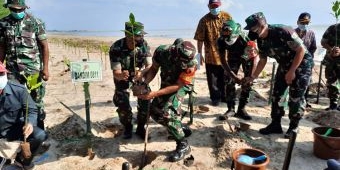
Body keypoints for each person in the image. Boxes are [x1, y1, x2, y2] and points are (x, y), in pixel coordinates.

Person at [242, 12, 313, 138]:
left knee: (295, 96)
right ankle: (276, 124)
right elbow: (263, 60)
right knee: (277, 95)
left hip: (302, 63)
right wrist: (253, 77)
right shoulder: (261, 40)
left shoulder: (283, 31)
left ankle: (293, 127)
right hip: (284, 64)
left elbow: (301, 50)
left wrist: (292, 71)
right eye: (251, 29)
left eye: (253, 28)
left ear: (262, 25)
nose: (252, 31)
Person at [137, 40, 197, 162]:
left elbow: (179, 85)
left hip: (182, 85)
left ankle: (183, 145)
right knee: (154, 111)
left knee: (168, 114)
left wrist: (154, 94)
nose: (184, 63)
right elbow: (154, 69)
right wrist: (144, 83)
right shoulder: (161, 51)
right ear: (174, 52)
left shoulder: (192, 63)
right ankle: (178, 128)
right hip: (167, 81)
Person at [0, 0, 50, 130]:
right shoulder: (3, 23)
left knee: (37, 101)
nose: (17, 12)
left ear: (25, 8)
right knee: (13, 102)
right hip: (12, 72)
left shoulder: (35, 23)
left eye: (20, 9)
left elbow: (44, 46)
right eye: (14, 10)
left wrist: (45, 69)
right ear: (9, 8)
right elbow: (2, 47)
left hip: (33, 71)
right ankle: (18, 133)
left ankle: (39, 133)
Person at [0, 62, 47, 170]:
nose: (0, 77)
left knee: (40, 135)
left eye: (1, 74)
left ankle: (23, 161)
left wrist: (30, 123)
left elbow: (31, 110)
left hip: (16, 129)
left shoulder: (19, 90)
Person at [109, 21, 152, 139]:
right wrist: (121, 75)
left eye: (142, 35)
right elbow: (116, 73)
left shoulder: (144, 44)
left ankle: (140, 127)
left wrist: (142, 72)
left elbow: (149, 65)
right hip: (123, 78)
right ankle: (127, 126)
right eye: (138, 35)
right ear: (129, 36)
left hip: (138, 76)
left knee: (146, 99)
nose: (141, 38)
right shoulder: (116, 48)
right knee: (122, 102)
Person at [217, 19, 259, 121]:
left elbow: (254, 58)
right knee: (228, 80)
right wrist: (233, 76)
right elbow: (223, 60)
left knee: (248, 82)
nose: (226, 37)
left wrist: (250, 77)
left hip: (247, 57)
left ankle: (241, 109)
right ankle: (230, 109)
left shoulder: (247, 39)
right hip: (233, 57)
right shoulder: (221, 40)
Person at [194, 0, 232, 106]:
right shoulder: (204, 20)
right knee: (213, 78)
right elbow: (200, 38)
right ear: (208, 6)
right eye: (212, 6)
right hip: (210, 53)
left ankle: (225, 96)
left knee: (225, 76)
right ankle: (215, 98)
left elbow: (233, 33)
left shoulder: (227, 17)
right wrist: (199, 54)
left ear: (220, 6)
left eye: (217, 6)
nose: (215, 8)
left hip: (226, 53)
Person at [295, 12, 317, 108]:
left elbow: (313, 47)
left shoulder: (311, 33)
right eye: (302, 22)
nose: (304, 25)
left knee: (306, 82)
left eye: (307, 23)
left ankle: (304, 101)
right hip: (294, 61)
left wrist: (310, 60)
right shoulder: (293, 32)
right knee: (293, 81)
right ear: (298, 22)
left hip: (306, 62)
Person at [321, 23, 340, 111]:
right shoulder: (333, 28)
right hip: (331, 60)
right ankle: (333, 104)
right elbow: (323, 42)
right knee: (331, 82)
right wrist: (331, 49)